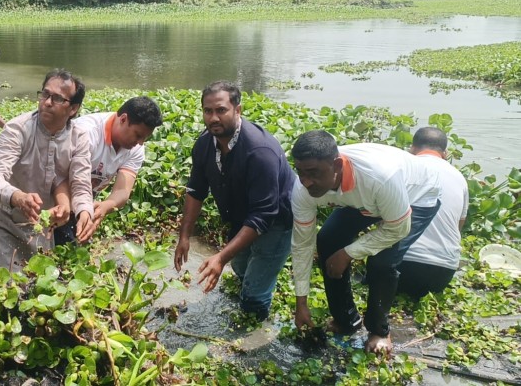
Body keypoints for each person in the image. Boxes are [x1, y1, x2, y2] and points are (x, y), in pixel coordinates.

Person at [290, 130, 441, 355]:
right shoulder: (304, 189)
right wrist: (301, 302)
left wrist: (349, 253)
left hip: (416, 196)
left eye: (313, 173)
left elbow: (398, 228)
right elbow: (302, 244)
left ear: (338, 166)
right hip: (364, 200)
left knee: (382, 261)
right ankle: (346, 320)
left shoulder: (380, 177)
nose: (306, 182)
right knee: (327, 240)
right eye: (300, 172)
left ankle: (379, 330)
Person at [173, 81, 295, 321]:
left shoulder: (260, 152)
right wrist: (184, 236)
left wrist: (220, 257)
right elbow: (196, 190)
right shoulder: (205, 143)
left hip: (277, 219)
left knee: (253, 298)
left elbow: (263, 216)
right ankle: (259, 280)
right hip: (242, 216)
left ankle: (255, 336)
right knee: (240, 268)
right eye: (208, 111)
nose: (213, 118)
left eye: (221, 110)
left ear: (237, 110)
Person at [0, 69, 93, 273]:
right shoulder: (17, 130)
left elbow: (81, 183)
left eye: (57, 98)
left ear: (73, 108)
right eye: (45, 94)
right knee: (2, 286)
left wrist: (84, 211)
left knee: (35, 283)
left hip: (41, 221)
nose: (47, 102)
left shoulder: (79, 138)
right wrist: (17, 197)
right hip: (4, 220)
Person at [61, 96, 163, 242]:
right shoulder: (87, 133)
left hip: (85, 198)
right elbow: (58, 178)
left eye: (145, 138)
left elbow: (122, 190)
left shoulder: (135, 148)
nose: (140, 143)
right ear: (123, 119)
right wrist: (78, 209)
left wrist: (104, 207)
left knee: (76, 246)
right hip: (57, 193)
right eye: (138, 135)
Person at [398, 127, 468, 299]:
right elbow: (459, 225)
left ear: (412, 149)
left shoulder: (403, 167)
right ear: (445, 153)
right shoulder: (460, 178)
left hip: (402, 266)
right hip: (443, 273)